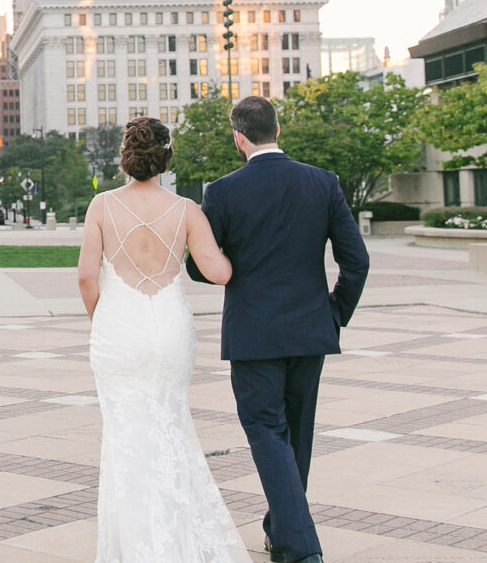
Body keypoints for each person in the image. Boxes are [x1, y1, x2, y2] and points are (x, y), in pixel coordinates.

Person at [190, 96, 369, 563]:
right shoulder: (322, 183)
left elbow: (198, 268)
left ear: (238, 137)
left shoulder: (223, 192)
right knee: (296, 434)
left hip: (253, 335)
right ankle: (280, 528)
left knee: (267, 432)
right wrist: (334, 313)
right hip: (310, 331)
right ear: (277, 130)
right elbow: (357, 261)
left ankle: (301, 548)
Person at [77, 116, 249, 562]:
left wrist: (103, 317)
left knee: (124, 438)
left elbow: (85, 276)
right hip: (170, 329)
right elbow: (219, 271)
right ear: (165, 160)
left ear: (125, 158)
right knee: (171, 426)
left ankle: (133, 547)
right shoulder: (187, 209)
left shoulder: (101, 206)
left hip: (119, 329)